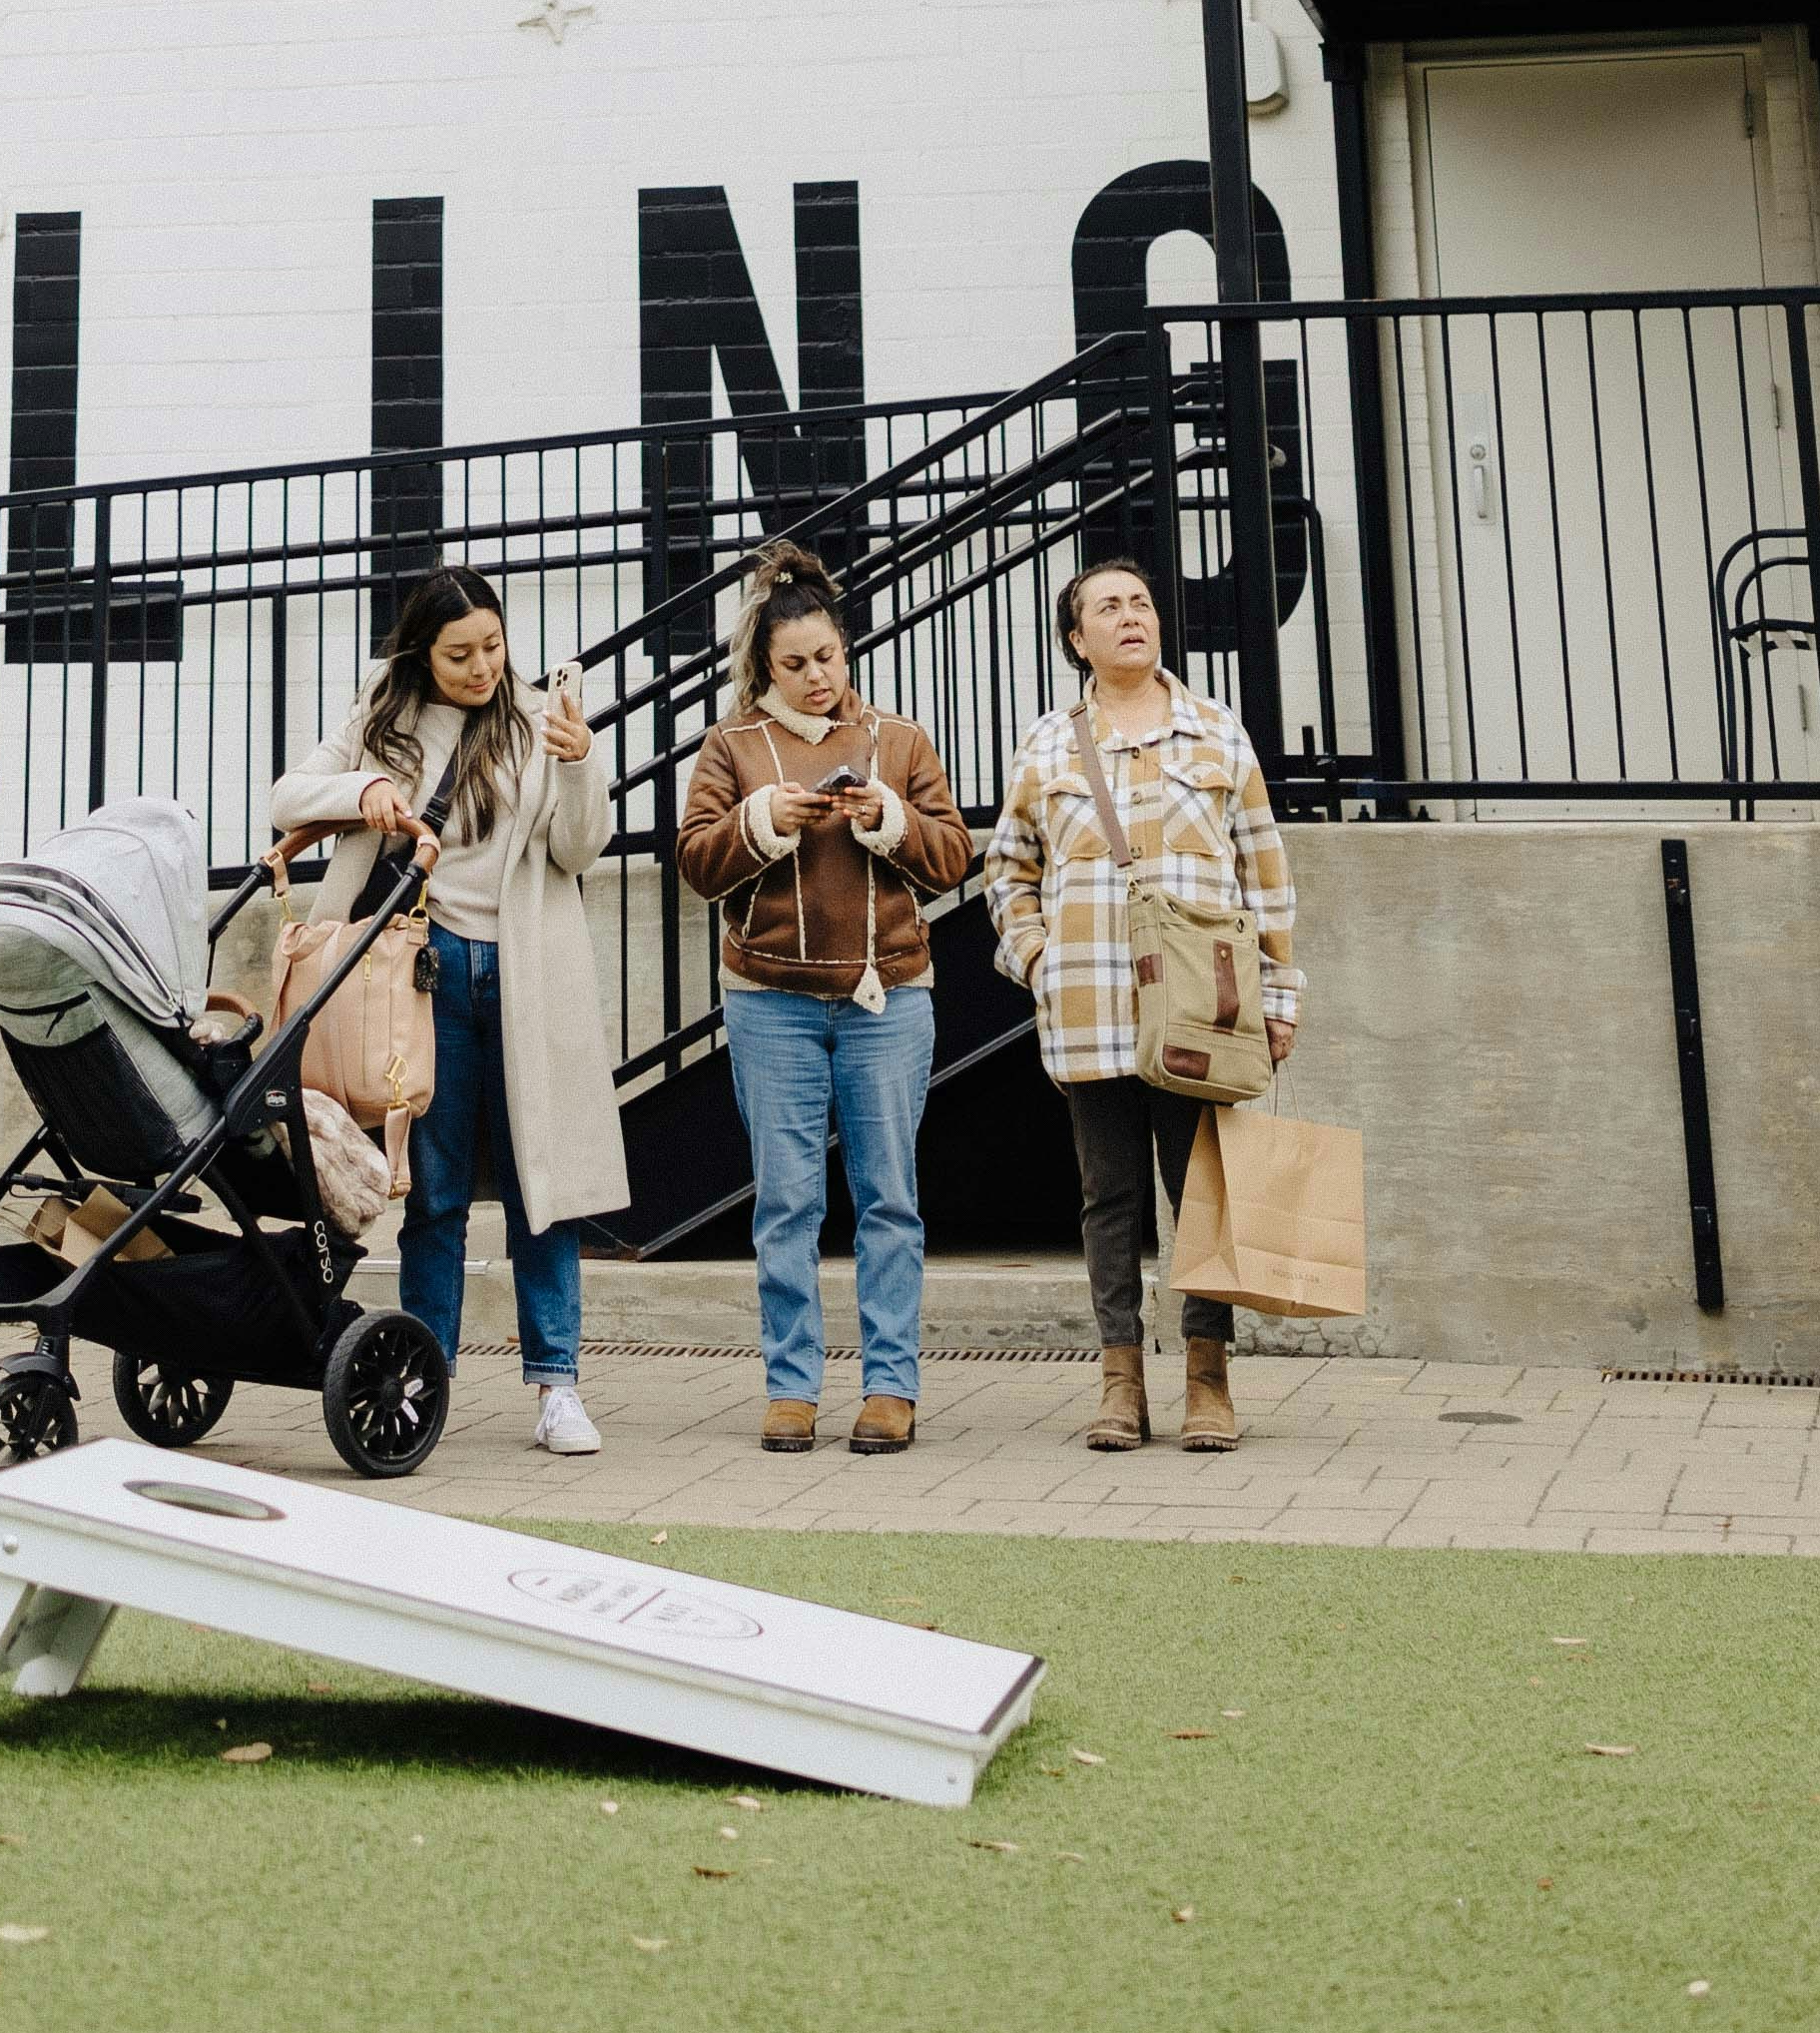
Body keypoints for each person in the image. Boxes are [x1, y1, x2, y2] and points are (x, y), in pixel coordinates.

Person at [269, 567, 625, 1456]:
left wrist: (581, 764)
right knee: (434, 1195)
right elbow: (284, 797)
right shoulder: (380, 715)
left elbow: (580, 848)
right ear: (422, 655)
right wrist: (363, 794)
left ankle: (557, 1386)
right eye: (459, 654)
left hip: (528, 974)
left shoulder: (542, 719)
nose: (481, 668)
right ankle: (424, 1378)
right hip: (423, 978)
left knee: (545, 1191)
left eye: (494, 648)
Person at [982, 551, 1301, 1456]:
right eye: (1108, 608)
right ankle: (1121, 1382)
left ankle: (1209, 1378)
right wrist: (1038, 957)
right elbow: (1007, 871)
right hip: (1089, 1008)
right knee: (1108, 1197)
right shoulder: (1047, 745)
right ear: (1077, 641)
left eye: (1142, 603)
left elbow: (1265, 873)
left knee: (1201, 1192)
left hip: (1202, 1008)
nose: (1131, 616)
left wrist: (1280, 994)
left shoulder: (1216, 732)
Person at [676, 542, 970, 1456]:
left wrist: (887, 817)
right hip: (769, 1000)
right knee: (788, 1202)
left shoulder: (899, 740)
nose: (817, 679)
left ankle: (891, 1388)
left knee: (889, 1198)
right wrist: (763, 822)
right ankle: (791, 1387)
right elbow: (695, 861)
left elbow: (955, 855)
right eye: (795, 664)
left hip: (889, 996)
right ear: (764, 666)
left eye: (828, 659)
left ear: (848, 651)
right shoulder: (729, 747)